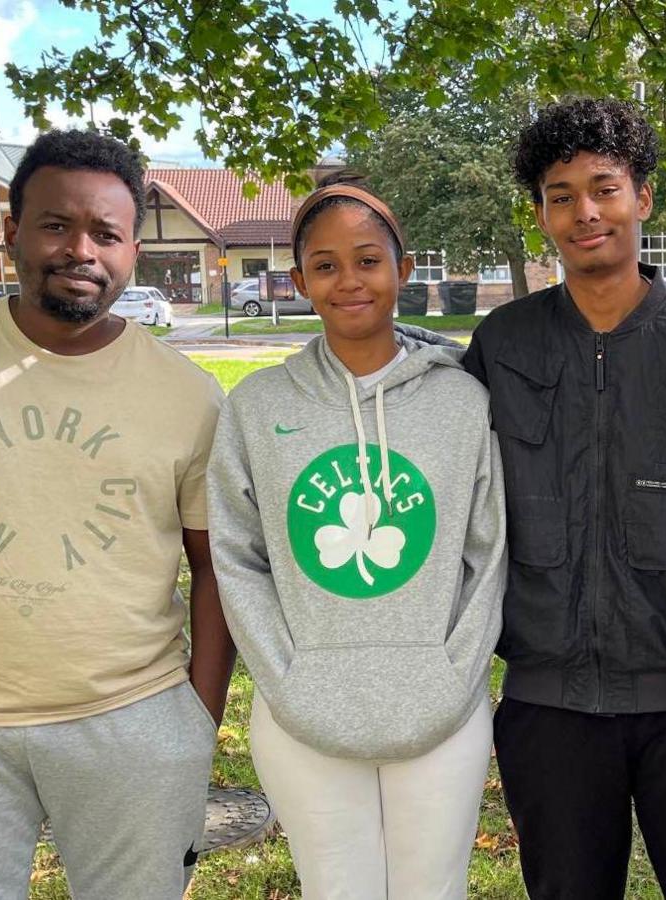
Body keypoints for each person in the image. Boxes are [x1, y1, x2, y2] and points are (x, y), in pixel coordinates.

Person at [0, 130, 233, 898]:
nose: (81, 249)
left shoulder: (190, 395)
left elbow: (215, 569)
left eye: (106, 233)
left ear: (133, 249)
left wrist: (195, 721)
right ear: (10, 232)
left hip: (134, 718)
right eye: (55, 224)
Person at [462, 97, 666, 900]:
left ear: (642, 199)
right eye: (560, 194)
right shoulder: (503, 345)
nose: (585, 212)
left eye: (604, 187)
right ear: (542, 214)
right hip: (549, 703)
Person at [207, 172, 505, 900]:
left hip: (439, 713)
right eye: (326, 265)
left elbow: (487, 554)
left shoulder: (460, 401)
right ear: (301, 280)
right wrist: (287, 679)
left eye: (369, 260)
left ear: (403, 271)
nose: (350, 281)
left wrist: (452, 677)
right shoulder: (257, 407)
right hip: (304, 715)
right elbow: (236, 556)